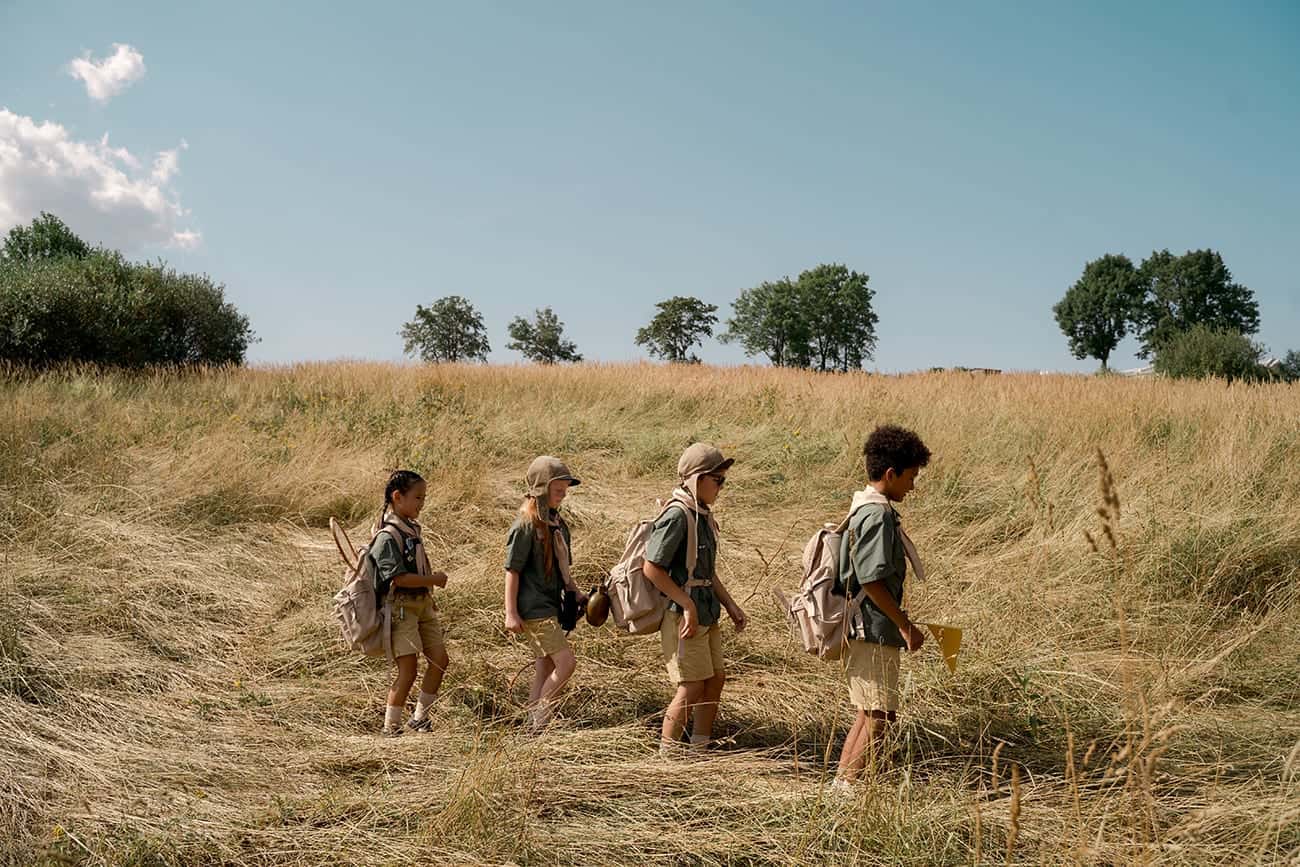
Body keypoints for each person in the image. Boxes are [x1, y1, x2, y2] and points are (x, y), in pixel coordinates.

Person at [834, 425, 932, 787]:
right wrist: (905, 625)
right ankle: (849, 789)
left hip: (868, 626)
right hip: (871, 628)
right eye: (911, 477)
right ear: (891, 474)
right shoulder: (877, 516)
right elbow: (871, 580)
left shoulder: (866, 508)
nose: (912, 486)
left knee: (870, 711)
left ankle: (843, 786)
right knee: (879, 715)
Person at [643, 442, 747, 756]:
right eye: (718, 480)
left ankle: (699, 749)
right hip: (682, 615)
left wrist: (730, 604)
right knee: (691, 686)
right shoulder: (678, 515)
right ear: (697, 479)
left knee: (715, 680)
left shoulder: (701, 514)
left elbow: (705, 572)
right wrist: (687, 604)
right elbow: (652, 568)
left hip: (706, 612)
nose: (721, 487)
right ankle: (668, 757)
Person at [504, 456, 586, 733]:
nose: (563, 495)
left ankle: (531, 726)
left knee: (545, 664)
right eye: (558, 490)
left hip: (551, 604)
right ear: (541, 488)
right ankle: (542, 718)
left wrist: (576, 593)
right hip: (534, 606)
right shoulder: (526, 525)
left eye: (565, 490)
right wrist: (510, 612)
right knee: (566, 663)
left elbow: (563, 571)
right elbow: (512, 571)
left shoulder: (557, 524)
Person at [372, 470, 451, 737]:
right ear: (398, 497)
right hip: (402, 609)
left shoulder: (411, 529)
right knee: (408, 670)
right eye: (418, 497)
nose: (422, 503)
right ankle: (390, 727)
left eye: (424, 497)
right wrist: (433, 579)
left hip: (423, 605)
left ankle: (420, 718)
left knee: (439, 660)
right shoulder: (387, 536)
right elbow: (399, 578)